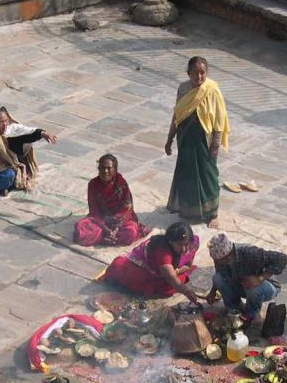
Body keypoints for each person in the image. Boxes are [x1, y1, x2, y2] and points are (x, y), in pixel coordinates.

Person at [165, 56, 230, 229]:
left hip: (205, 141)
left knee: (208, 176)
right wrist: (170, 137)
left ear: (206, 73)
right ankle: (189, 210)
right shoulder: (183, 89)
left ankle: (212, 214)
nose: (199, 77)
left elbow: (219, 119)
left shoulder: (212, 89)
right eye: (195, 73)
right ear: (188, 73)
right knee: (187, 174)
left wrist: (215, 146)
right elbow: (177, 114)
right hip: (185, 139)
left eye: (202, 73)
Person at [0, 106, 58, 194]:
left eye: (6, 121)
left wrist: (43, 134)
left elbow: (30, 132)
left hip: (6, 170)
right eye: (1, 122)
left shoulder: (12, 130)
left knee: (9, 176)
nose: (4, 125)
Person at [103, 221, 200, 303]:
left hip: (168, 272)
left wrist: (177, 272)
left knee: (178, 280)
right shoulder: (163, 252)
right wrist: (186, 291)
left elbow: (188, 265)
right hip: (142, 267)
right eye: (180, 244)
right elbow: (171, 278)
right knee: (119, 268)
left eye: (186, 244)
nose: (184, 249)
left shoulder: (193, 244)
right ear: (170, 241)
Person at [206, 233, 287, 327]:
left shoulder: (250, 253)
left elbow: (282, 258)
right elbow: (219, 272)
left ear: (228, 257)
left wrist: (259, 278)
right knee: (217, 278)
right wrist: (212, 291)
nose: (216, 262)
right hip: (241, 285)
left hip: (265, 287)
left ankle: (252, 313)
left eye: (218, 261)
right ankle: (234, 309)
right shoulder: (220, 256)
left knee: (253, 286)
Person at [74, 154, 150, 247]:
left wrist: (116, 228)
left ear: (115, 169)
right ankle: (106, 239)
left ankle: (104, 239)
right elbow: (94, 210)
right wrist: (104, 227)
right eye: (102, 168)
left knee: (131, 232)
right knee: (81, 226)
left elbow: (127, 210)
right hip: (101, 221)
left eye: (109, 168)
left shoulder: (121, 184)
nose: (105, 171)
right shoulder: (93, 184)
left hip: (120, 222)